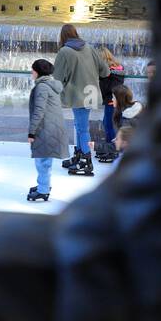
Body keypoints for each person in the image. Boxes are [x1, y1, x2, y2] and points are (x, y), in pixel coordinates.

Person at [53, 24, 109, 176]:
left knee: (82, 128)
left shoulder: (64, 51)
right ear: (76, 34)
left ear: (62, 36)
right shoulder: (89, 48)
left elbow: (57, 78)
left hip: (77, 94)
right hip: (91, 92)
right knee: (79, 125)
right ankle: (79, 155)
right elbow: (105, 71)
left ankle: (86, 162)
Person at [27, 59, 68, 202]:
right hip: (52, 126)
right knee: (45, 159)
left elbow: (39, 111)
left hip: (45, 128)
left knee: (42, 160)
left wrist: (31, 132)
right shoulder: (50, 84)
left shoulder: (42, 87)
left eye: (32, 70)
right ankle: (43, 185)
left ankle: (43, 190)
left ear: (38, 72)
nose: (31, 73)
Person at [94, 48, 126, 164]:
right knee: (108, 125)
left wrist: (100, 78)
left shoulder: (110, 72)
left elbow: (108, 88)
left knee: (109, 127)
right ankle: (110, 149)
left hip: (111, 102)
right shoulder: (116, 70)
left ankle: (112, 151)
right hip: (114, 102)